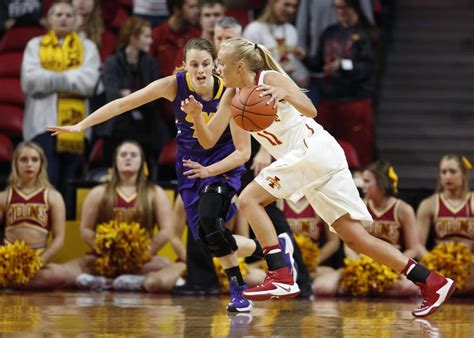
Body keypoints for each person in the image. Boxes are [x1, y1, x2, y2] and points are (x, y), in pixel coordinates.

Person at [178, 37, 456, 317]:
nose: (217, 69)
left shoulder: (269, 77)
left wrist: (283, 94)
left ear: (239, 66)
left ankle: (280, 273)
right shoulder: (231, 96)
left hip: (312, 149)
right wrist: (197, 116)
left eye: (221, 64)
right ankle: (432, 282)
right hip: (314, 161)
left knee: (250, 199)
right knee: (356, 238)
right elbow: (211, 140)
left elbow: (311, 110)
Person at [47, 38, 299, 313]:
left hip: (222, 163)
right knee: (207, 238)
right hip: (189, 167)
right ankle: (268, 250)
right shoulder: (173, 85)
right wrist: (81, 125)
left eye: (205, 63)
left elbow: (241, 152)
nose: (200, 70)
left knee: (209, 218)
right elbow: (123, 103)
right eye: (194, 64)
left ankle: (237, 291)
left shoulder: (230, 91)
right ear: (184, 66)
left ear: (215, 65)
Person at [75, 140, 186, 292]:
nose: (128, 158)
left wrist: (144, 253)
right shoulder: (99, 192)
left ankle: (111, 281)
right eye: (123, 155)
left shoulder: (155, 192)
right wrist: (105, 252)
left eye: (134, 155)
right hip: (105, 258)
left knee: (164, 265)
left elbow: (166, 230)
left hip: (142, 260)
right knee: (81, 264)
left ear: (142, 162)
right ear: (115, 161)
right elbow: (86, 229)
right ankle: (126, 281)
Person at [21, 0, 100, 195]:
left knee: (68, 186)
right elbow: (30, 82)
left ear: (76, 20)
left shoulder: (87, 47)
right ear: (49, 19)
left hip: (76, 127)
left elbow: (89, 83)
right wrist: (70, 76)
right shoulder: (35, 45)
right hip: (41, 124)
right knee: (44, 181)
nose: (63, 19)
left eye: (69, 15)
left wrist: (50, 76)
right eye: (58, 14)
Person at [313, 160, 420, 296]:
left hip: (392, 268)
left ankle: (371, 290)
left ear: (381, 183)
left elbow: (413, 248)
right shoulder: (358, 206)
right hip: (362, 264)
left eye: (367, 181)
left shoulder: (403, 209)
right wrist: (359, 264)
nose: (363, 186)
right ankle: (375, 289)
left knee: (412, 288)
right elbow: (348, 243)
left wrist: (394, 265)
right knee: (322, 287)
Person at [310, 0, 376, 167]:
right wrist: (302, 57)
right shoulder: (329, 32)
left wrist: (343, 65)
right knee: (324, 148)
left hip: (355, 101)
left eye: (344, 7)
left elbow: (367, 67)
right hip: (328, 100)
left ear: (354, 6)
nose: (340, 11)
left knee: (359, 149)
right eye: (337, 7)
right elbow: (317, 64)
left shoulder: (367, 33)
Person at [100, 16, 165, 168]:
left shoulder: (151, 63)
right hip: (117, 128)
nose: (151, 41)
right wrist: (142, 96)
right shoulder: (112, 62)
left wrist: (127, 94)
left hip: (146, 129)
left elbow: (157, 98)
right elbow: (113, 96)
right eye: (147, 36)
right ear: (133, 38)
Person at [0, 141, 66, 289]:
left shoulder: (53, 196)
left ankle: (14, 282)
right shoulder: (4, 196)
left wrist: (38, 263)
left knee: (61, 275)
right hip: (8, 260)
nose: (29, 164)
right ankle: (16, 280)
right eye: (24, 159)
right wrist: (4, 260)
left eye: (34, 160)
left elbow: (59, 239)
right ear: (15, 164)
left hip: (38, 262)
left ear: (41, 164)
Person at [417, 154, 474, 294]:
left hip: (470, 268)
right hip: (440, 268)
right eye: (443, 172)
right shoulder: (428, 204)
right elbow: (417, 245)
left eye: (453, 172)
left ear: (464, 174)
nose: (447, 176)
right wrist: (435, 263)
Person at [243, 0, 310, 88]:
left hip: (288, 89)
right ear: (272, 2)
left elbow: (291, 61)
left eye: (294, 6)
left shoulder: (291, 30)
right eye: (286, 4)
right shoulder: (253, 30)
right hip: (261, 90)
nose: (291, 10)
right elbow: (247, 65)